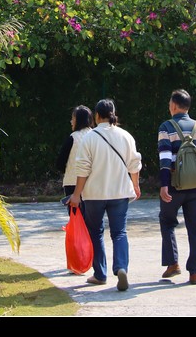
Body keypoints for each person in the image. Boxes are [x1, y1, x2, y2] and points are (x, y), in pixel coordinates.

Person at [69, 99, 142, 291]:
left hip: (94, 194)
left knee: (95, 232)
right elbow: (134, 164)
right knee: (119, 232)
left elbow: (82, 169)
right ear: (113, 114)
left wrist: (76, 194)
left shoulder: (89, 138)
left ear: (97, 116)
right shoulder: (126, 136)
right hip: (120, 192)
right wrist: (135, 185)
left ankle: (100, 274)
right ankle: (121, 267)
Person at [157, 89, 196, 285]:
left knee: (167, 221)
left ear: (173, 105)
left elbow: (165, 159)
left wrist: (164, 185)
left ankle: (173, 263)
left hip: (174, 186)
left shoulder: (166, 127)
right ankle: (195, 272)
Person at [55, 105, 95, 215]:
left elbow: (60, 163)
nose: (71, 122)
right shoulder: (97, 136)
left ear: (78, 120)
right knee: (93, 219)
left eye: (73, 118)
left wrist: (69, 169)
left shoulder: (73, 138)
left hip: (73, 183)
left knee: (76, 218)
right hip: (94, 184)